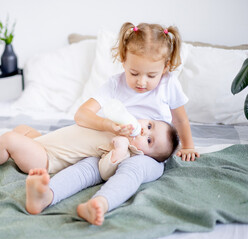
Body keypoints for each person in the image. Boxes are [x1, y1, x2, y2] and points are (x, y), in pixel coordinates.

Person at [25, 22, 200, 225]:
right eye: (134, 73)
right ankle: (47, 195)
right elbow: (82, 115)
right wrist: (109, 126)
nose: (141, 82)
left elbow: (180, 119)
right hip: (111, 147)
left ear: (166, 67)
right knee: (86, 169)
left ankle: (100, 203)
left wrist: (188, 146)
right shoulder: (115, 85)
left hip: (149, 154)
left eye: (151, 75)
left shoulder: (168, 83)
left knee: (133, 170)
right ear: (124, 60)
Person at [0, 119, 179, 180]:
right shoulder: (122, 125)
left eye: (149, 140)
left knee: (9, 138)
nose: (144, 132)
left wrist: (119, 151)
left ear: (143, 154)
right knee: (22, 129)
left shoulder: (125, 149)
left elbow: (105, 171)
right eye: (149, 126)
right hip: (45, 141)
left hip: (46, 159)